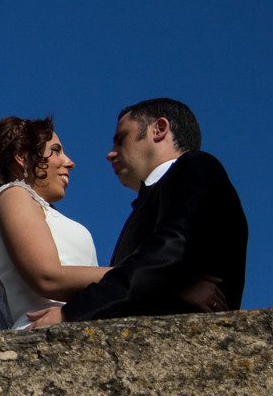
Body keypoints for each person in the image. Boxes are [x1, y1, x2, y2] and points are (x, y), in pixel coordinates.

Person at [27, 98, 247, 328]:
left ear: (159, 130)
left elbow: (170, 251)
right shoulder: (145, 205)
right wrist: (175, 290)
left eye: (121, 139)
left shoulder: (196, 166)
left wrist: (71, 313)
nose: (110, 154)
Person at [0, 116, 108, 330]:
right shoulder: (13, 195)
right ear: (22, 156)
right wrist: (135, 273)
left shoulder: (41, 209)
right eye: (56, 151)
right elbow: (47, 276)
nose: (69, 162)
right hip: (43, 329)